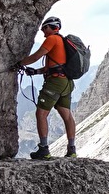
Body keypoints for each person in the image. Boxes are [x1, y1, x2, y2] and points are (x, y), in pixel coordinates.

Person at [17, 16, 77, 160]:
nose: (43, 31)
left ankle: (44, 149)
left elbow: (36, 56)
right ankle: (72, 150)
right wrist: (36, 72)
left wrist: (19, 63)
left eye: (45, 28)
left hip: (55, 83)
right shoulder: (62, 41)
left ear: (52, 27)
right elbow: (54, 66)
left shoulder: (52, 39)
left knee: (41, 114)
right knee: (67, 115)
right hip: (66, 83)